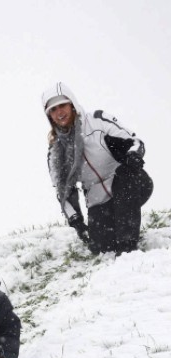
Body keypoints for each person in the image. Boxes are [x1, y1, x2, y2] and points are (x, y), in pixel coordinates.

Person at [41, 82, 154, 255]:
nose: (59, 113)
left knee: (125, 177)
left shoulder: (97, 121)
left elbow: (135, 142)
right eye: (53, 110)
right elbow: (63, 192)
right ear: (49, 116)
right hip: (99, 200)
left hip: (128, 184)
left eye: (62, 105)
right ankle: (118, 230)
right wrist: (77, 221)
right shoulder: (56, 151)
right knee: (100, 246)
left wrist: (134, 155)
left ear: (72, 104)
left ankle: (128, 249)